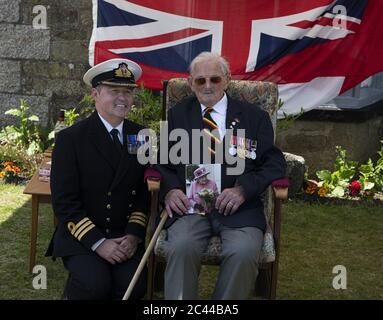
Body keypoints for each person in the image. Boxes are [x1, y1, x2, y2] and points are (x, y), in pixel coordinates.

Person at [155, 52, 286, 300]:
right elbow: (162, 162)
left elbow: (274, 162)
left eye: (214, 79)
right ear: (191, 82)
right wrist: (171, 190)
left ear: (226, 80)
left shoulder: (254, 117)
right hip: (191, 207)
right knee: (181, 247)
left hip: (239, 208)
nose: (207, 86)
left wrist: (243, 190)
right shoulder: (178, 115)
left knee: (244, 252)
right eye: (200, 80)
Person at [46, 58, 149, 300]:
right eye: (114, 91)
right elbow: (64, 202)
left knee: (133, 286)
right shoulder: (71, 139)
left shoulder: (142, 136)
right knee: (95, 284)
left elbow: (144, 192)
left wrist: (133, 234)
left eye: (127, 92)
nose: (122, 98)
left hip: (123, 234)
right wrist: (98, 243)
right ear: (95, 94)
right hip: (83, 236)